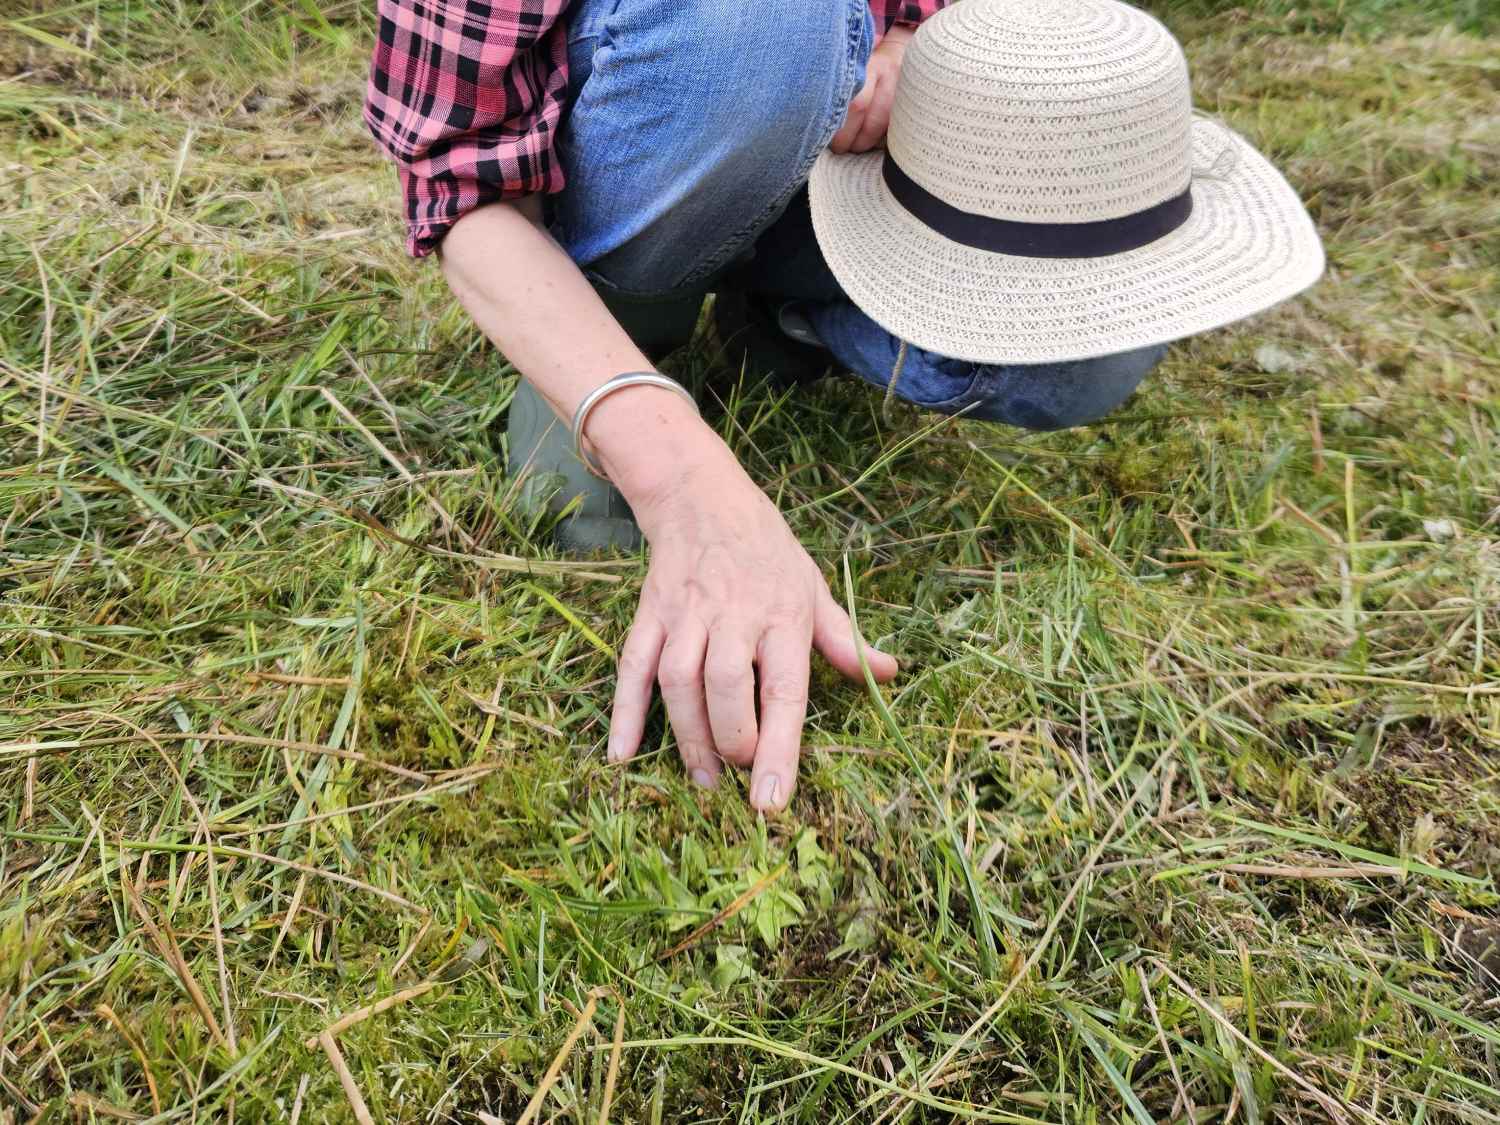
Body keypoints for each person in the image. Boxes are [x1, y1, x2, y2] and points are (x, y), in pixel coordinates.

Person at [364, 0, 1323, 813]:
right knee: (771, 31)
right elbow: (455, 178)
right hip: (635, 146)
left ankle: (786, 310)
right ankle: (611, 332)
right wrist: (682, 479)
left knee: (1081, 356)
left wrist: (917, 44)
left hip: (862, 180)